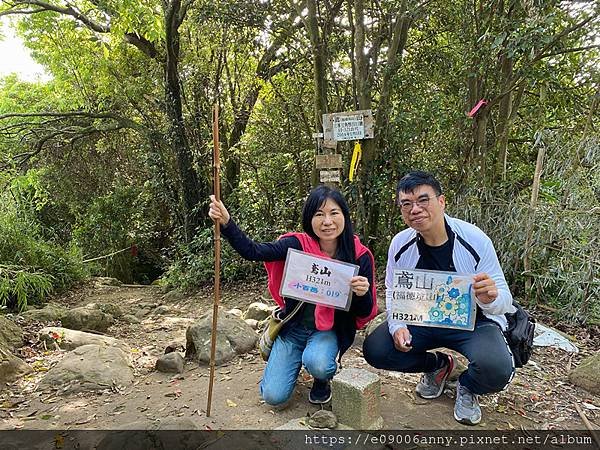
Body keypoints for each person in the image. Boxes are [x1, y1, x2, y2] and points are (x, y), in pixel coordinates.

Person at [362, 171, 516, 425]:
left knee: (496, 369)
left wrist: (490, 297)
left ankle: (468, 386)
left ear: (441, 202)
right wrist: (398, 325)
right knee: (377, 350)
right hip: (422, 319)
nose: (415, 209)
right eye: (406, 204)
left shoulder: (475, 240)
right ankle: (438, 365)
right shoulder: (401, 244)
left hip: (474, 323)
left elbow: (504, 300)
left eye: (424, 200)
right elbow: (393, 289)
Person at [209, 185, 378, 407]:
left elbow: (365, 311)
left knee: (318, 362)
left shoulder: (359, 256)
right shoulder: (297, 245)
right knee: (273, 397)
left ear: (344, 216)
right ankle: (288, 360)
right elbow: (254, 251)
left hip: (326, 332)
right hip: (293, 329)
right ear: (309, 219)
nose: (327, 221)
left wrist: (362, 293)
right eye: (319, 214)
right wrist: (227, 223)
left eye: (334, 213)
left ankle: (321, 379)